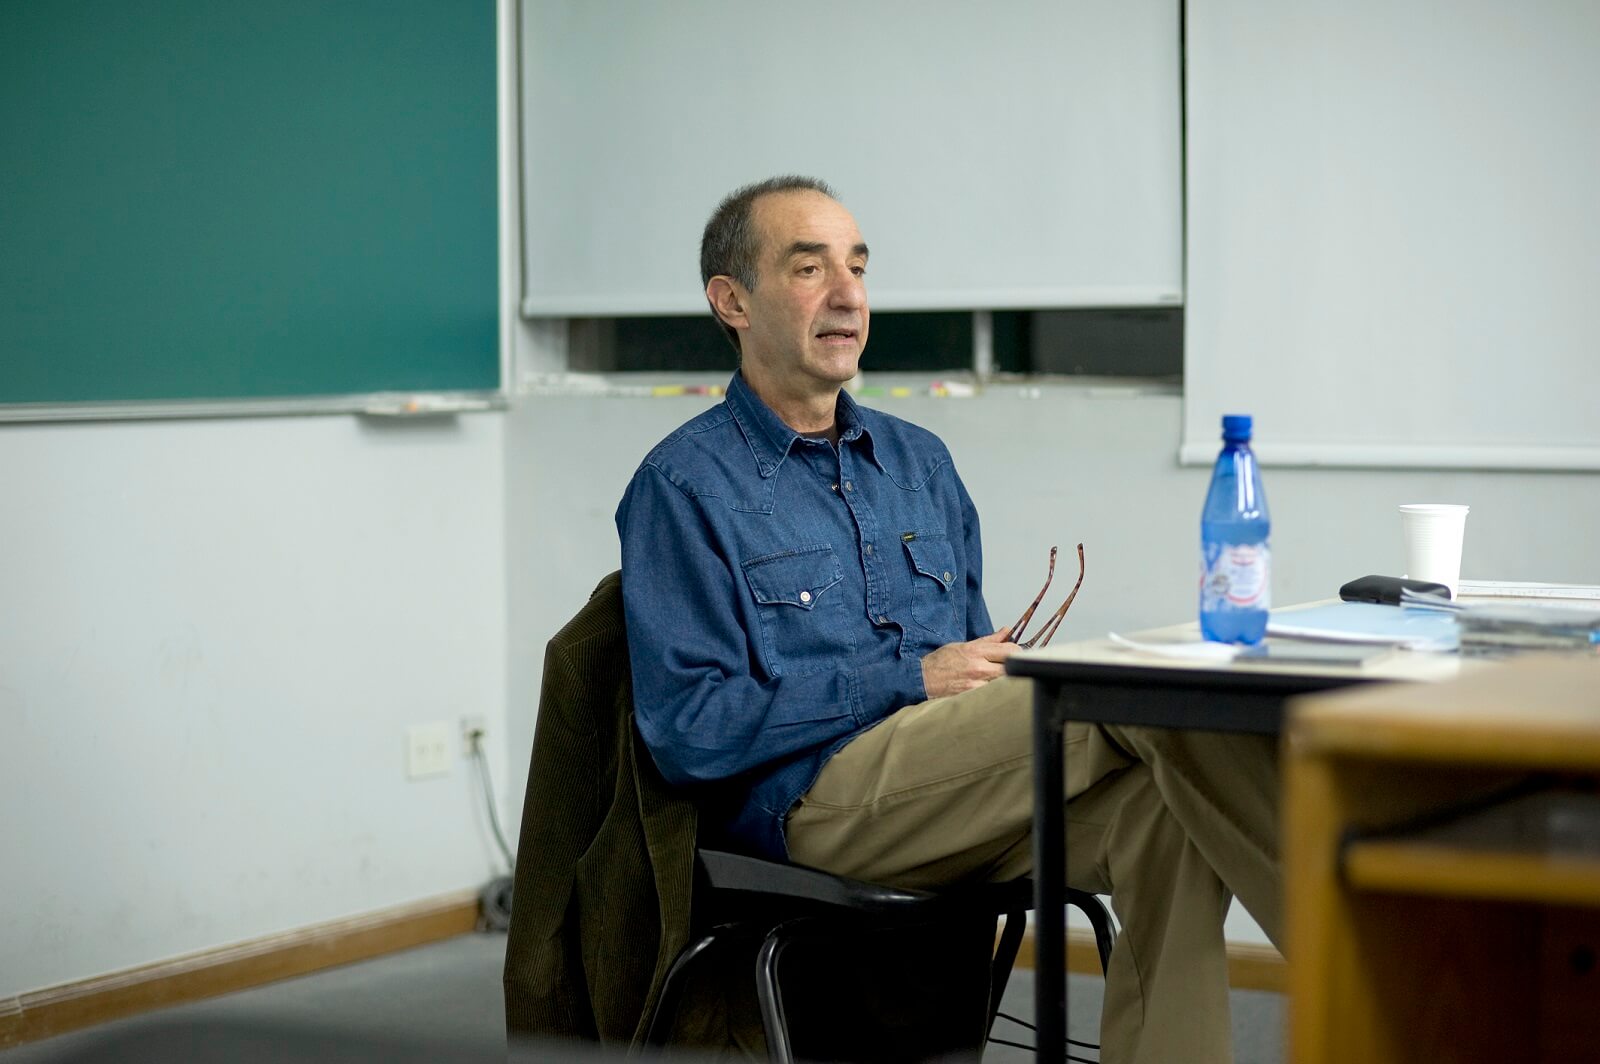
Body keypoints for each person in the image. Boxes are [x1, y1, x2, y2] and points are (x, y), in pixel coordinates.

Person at [615, 175, 1282, 1064]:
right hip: (811, 803)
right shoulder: (685, 485)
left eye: (857, 267)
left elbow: (971, 662)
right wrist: (909, 679)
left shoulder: (919, 462)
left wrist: (987, 676)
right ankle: (1381, 960)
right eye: (809, 268)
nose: (849, 294)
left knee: (1166, 818)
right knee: (1141, 695)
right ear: (731, 301)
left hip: (947, 784)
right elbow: (689, 733)